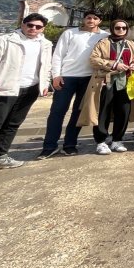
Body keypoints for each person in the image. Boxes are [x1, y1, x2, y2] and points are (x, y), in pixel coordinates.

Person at [37, 10, 109, 159]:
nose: (91, 20)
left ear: (99, 21)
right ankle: (49, 146)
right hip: (67, 77)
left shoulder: (104, 36)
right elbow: (58, 55)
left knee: (78, 113)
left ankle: (70, 144)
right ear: (84, 20)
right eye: (88, 17)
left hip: (89, 79)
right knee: (57, 111)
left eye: (95, 18)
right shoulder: (70, 33)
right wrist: (56, 75)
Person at [0, 13, 52, 169]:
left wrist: (45, 83)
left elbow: (46, 66)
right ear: (23, 24)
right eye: (30, 25)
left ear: (42, 28)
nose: (33, 28)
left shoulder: (45, 44)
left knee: (13, 124)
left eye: (38, 26)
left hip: (30, 88)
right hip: (5, 88)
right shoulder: (4, 40)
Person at [79, 20, 134, 155]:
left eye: (124, 27)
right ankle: (101, 141)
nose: (121, 30)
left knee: (124, 111)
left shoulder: (130, 44)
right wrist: (114, 65)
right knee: (103, 112)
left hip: (125, 82)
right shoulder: (103, 43)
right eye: (118, 27)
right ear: (113, 28)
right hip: (106, 82)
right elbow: (93, 60)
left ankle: (117, 139)